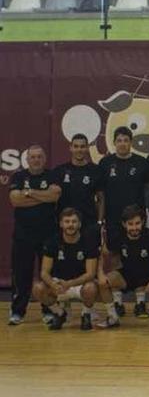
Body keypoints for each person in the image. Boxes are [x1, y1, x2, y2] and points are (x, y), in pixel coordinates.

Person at [8, 145, 61, 325]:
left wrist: (29, 193)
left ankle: (48, 310)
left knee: (46, 274)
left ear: (44, 159)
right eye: (33, 157)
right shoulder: (18, 176)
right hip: (23, 236)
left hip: (48, 235)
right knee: (21, 276)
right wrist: (42, 196)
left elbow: (54, 196)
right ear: (27, 159)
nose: (36, 160)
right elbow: (15, 200)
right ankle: (18, 312)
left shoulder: (52, 175)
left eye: (39, 157)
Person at [98, 205, 149, 328]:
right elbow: (103, 254)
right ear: (124, 224)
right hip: (128, 276)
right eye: (131, 224)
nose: (134, 227)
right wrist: (101, 274)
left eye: (137, 223)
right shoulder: (118, 236)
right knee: (103, 282)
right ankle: (112, 317)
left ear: (143, 222)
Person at [32, 208, 98, 331]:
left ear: (80, 224)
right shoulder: (52, 241)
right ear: (61, 224)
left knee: (91, 288)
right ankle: (60, 313)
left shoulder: (89, 241)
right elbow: (44, 272)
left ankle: (86, 314)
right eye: (67, 221)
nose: (70, 225)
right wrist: (53, 284)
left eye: (74, 221)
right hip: (59, 284)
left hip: (80, 283)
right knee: (37, 288)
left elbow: (91, 273)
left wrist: (70, 283)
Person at [98, 126, 149, 251]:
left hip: (136, 219)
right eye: (119, 140)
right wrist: (101, 217)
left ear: (131, 142)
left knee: (137, 250)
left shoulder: (141, 162)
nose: (122, 144)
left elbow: (148, 188)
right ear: (114, 142)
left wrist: (146, 210)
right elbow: (101, 193)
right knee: (114, 252)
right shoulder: (105, 163)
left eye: (126, 140)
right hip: (113, 217)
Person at [53, 133, 104, 238]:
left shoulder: (96, 170)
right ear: (70, 148)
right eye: (76, 146)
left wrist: (99, 222)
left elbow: (101, 199)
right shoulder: (59, 171)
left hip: (89, 223)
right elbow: (53, 198)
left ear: (87, 148)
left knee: (90, 254)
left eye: (82, 146)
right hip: (66, 224)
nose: (79, 149)